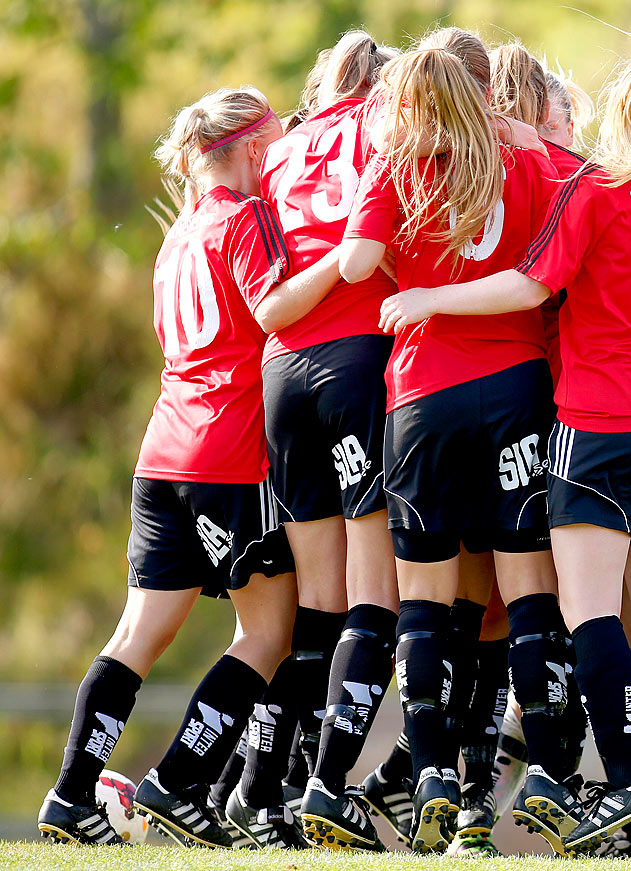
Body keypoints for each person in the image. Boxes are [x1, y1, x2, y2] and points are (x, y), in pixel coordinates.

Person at [378, 48, 631, 856]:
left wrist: (428, 297)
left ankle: (629, 781)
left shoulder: (597, 187)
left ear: (621, 106)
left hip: (602, 422)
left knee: (587, 609)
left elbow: (531, 288)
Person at [37, 86, 309, 849]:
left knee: (137, 633)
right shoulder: (243, 217)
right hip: (226, 454)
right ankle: (180, 782)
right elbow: (274, 311)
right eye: (277, 145)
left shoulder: (178, 233)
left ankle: (69, 795)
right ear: (255, 149)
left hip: (162, 453)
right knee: (270, 630)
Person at [337, 41, 560, 854]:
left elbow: (359, 261)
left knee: (424, 601)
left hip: (424, 393)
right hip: (514, 388)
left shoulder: (395, 163)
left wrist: (411, 273)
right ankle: (531, 781)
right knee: (525, 589)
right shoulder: (526, 157)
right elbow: (550, 274)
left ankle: (429, 772)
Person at [241, 30, 401, 853]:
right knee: (376, 592)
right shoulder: (384, 126)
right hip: (357, 360)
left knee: (317, 600)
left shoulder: (286, 145)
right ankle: (326, 785)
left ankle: (267, 788)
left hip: (283, 375)